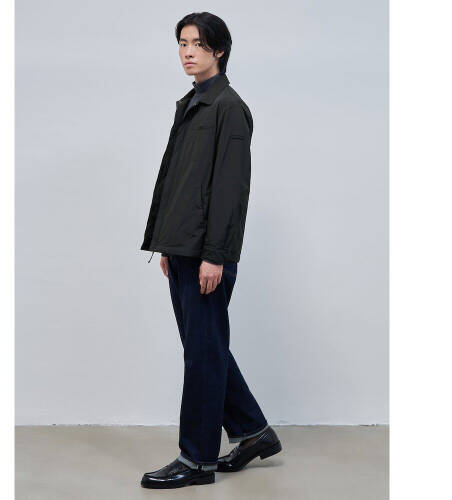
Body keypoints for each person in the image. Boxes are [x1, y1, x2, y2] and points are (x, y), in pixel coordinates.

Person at [139, 12, 282, 489]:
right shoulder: (192, 103)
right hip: (183, 249)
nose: (187, 52)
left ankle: (196, 460)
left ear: (219, 50)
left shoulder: (228, 108)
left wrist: (215, 255)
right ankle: (253, 432)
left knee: (202, 355)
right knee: (206, 348)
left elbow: (229, 189)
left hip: (207, 254)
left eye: (198, 44)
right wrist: (168, 243)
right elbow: (180, 183)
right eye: (182, 42)